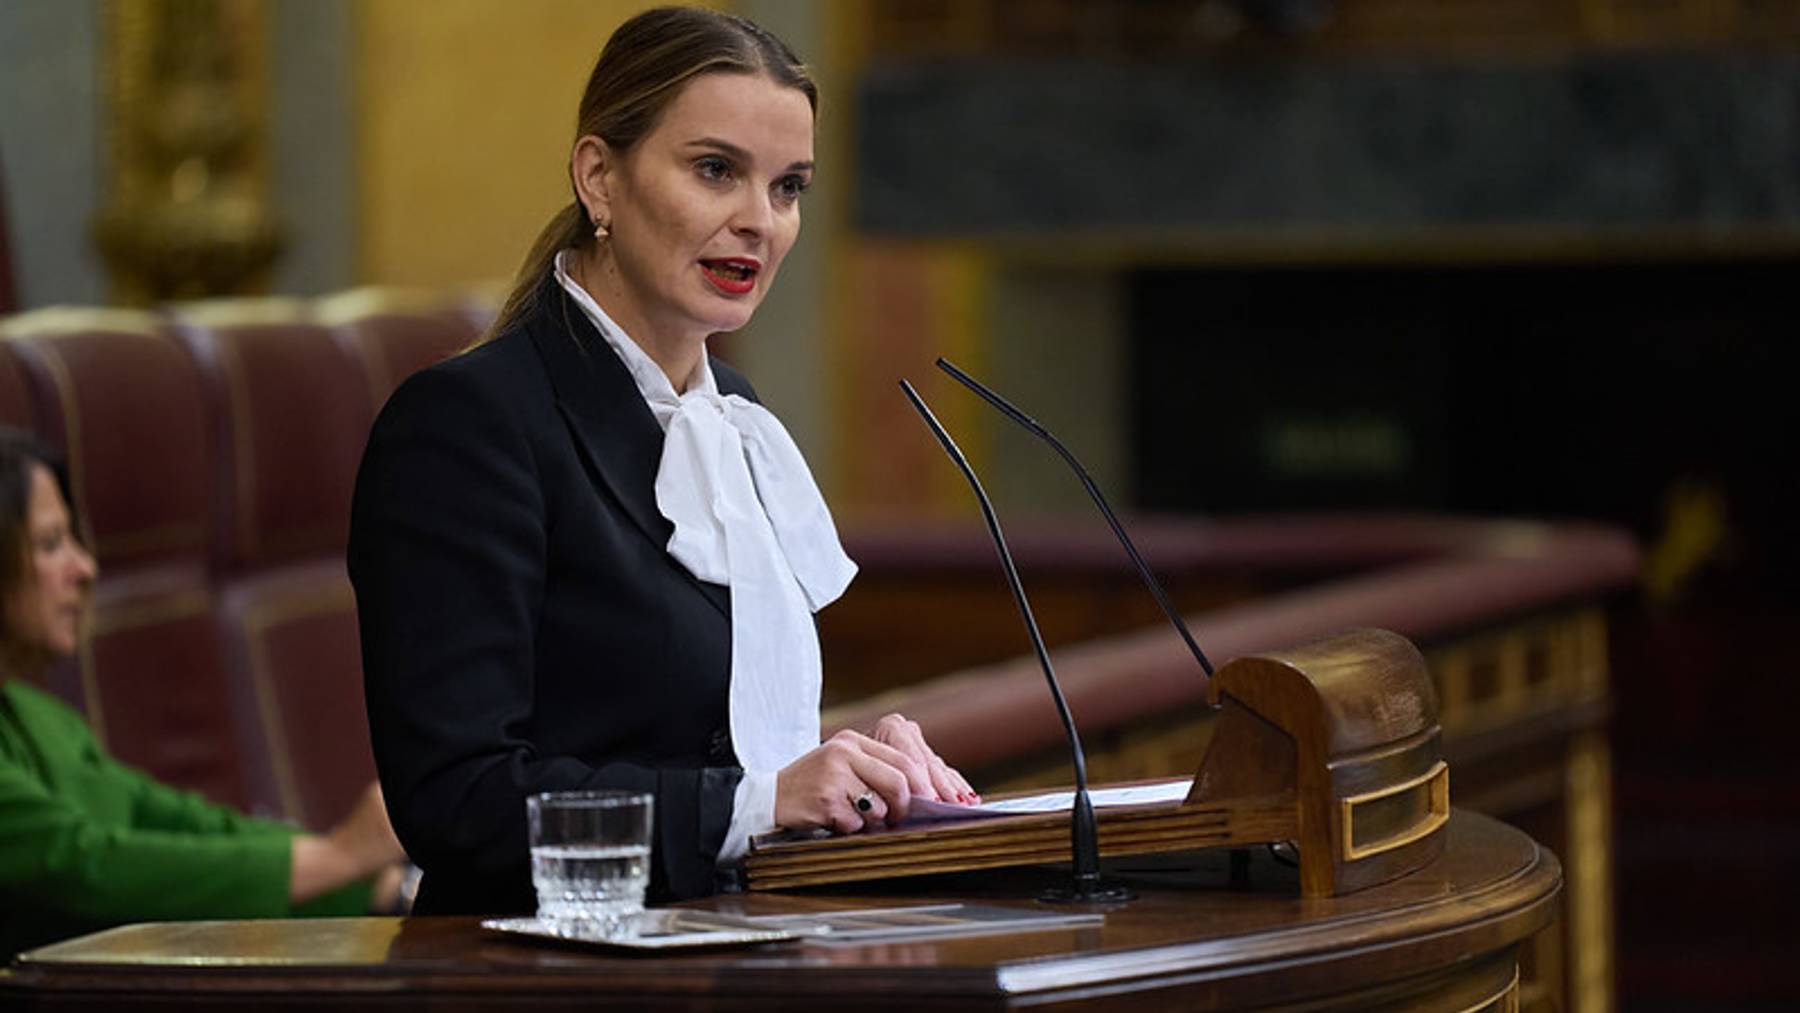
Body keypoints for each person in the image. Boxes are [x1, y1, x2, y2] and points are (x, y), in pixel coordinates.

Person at [349, 6, 974, 916]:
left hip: (737, 945)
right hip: (538, 973)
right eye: (716, 170)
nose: (758, 221)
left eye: (789, 186)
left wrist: (858, 774)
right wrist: (759, 803)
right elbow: (460, 802)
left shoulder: (741, 422)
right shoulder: (467, 427)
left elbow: (710, 750)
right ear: (599, 176)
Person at [0, 428, 407, 959]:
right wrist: (335, 859)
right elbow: (88, 867)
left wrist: (357, 874)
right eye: (51, 544)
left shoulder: (39, 716)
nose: (86, 569)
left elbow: (178, 822)